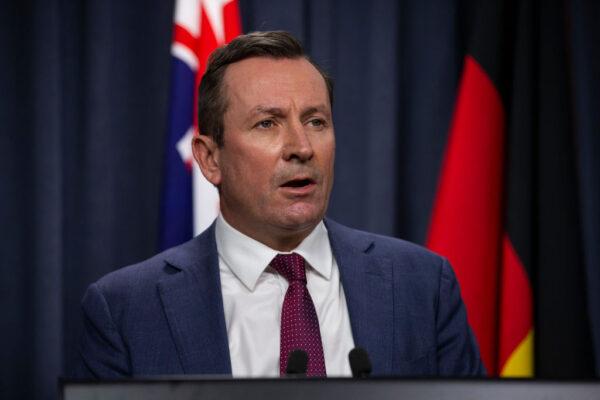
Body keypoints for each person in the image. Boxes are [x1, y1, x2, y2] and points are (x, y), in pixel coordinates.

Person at [74, 31, 484, 379]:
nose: (302, 148)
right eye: (267, 123)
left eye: (316, 121)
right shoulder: (125, 311)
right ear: (210, 158)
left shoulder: (422, 285)